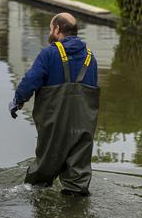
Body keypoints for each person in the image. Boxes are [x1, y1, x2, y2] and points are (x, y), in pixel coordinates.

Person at [9, 12, 99, 196]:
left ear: (57, 29)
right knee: (77, 179)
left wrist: (17, 101)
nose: (50, 32)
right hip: (84, 126)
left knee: (40, 177)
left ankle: (38, 202)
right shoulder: (91, 58)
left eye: (51, 28)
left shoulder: (49, 53)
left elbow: (30, 81)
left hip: (54, 124)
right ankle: (75, 205)